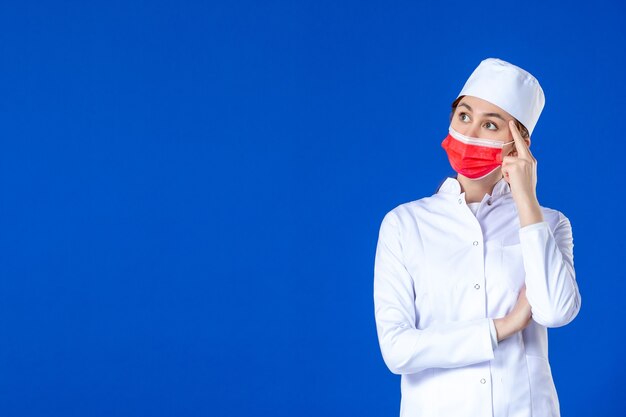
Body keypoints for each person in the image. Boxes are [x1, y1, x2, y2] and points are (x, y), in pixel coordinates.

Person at [373, 58, 581, 417]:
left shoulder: (549, 223)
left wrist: (526, 198)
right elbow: (397, 350)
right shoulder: (404, 224)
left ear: (519, 141)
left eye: (490, 125)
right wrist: (505, 326)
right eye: (464, 116)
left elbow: (557, 311)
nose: (470, 133)